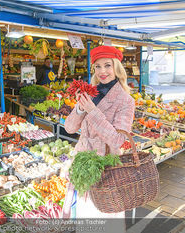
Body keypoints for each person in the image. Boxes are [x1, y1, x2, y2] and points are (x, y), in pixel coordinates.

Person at [62, 46, 135, 232]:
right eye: (98, 66)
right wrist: (79, 107)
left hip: (105, 168)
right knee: (86, 218)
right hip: (83, 167)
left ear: (117, 67)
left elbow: (118, 140)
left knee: (104, 220)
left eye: (107, 65)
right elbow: (69, 128)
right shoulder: (91, 93)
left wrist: (92, 111)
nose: (102, 71)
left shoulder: (126, 100)